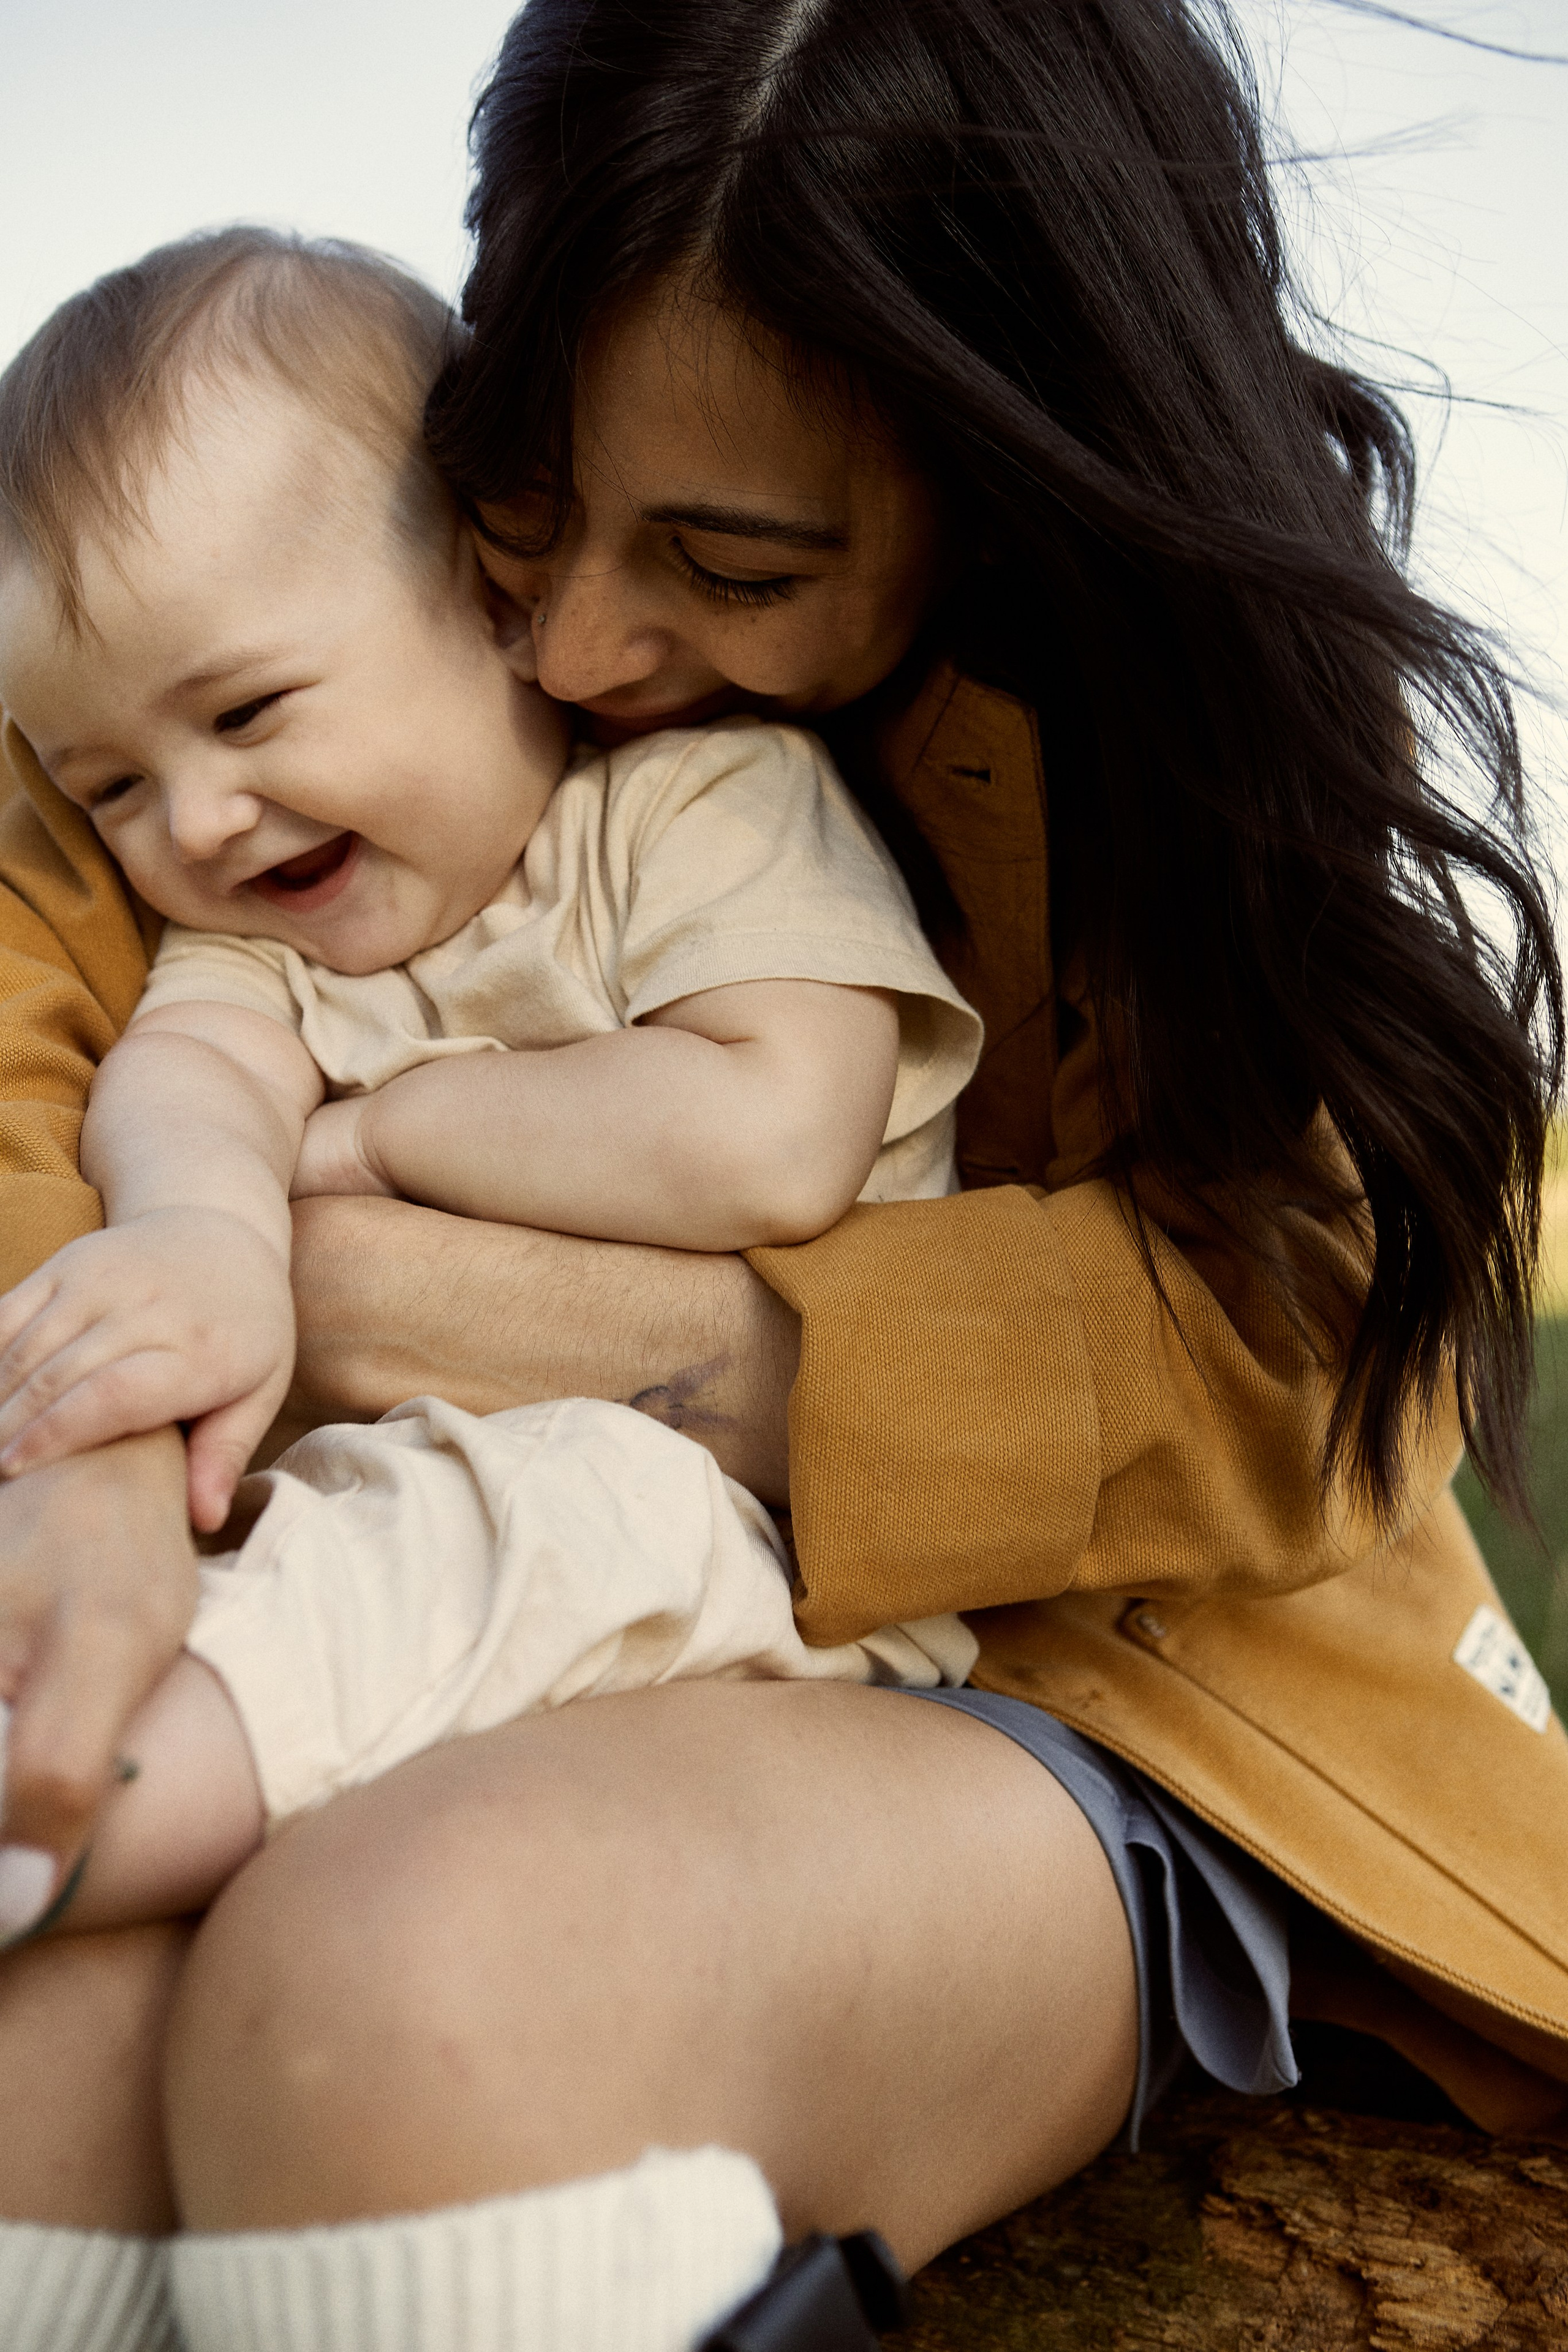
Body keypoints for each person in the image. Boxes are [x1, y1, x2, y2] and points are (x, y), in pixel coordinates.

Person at [0, 2, 1564, 2348]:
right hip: (406, 1571)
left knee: (423, 2001)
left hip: (1095, 1674)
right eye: (530, 502)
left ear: (1004, 482)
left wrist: (477, 1289)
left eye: (732, 568)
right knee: (44, 2065)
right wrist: (101, 1451)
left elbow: (1276, 1362)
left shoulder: (1159, 759)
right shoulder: (270, 625)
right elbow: (45, 1012)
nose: (592, 641)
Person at [0, 226, 981, 1932]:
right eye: (113, 790)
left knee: (497, 1525)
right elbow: (189, 1087)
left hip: (753, 1557)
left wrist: (378, 1131)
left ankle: (67, 1822)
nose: (200, 822)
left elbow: (768, 1137)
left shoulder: (704, 809)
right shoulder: (261, 945)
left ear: (491, 597)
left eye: (244, 714)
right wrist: (204, 1236)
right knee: (339, 1542)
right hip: (397, 1544)